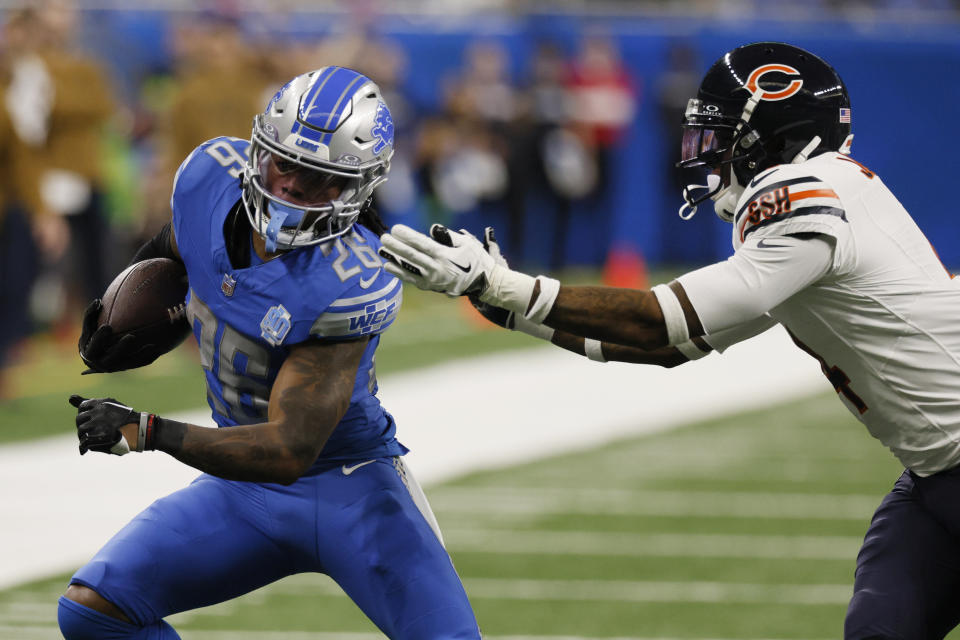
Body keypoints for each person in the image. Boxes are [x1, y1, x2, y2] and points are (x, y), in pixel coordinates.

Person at [378, 42, 960, 639]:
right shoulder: (830, 200)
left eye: (725, 134)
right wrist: (508, 310)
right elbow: (668, 348)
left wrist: (501, 282)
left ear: (774, 134)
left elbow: (659, 320)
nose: (708, 151)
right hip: (931, 474)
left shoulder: (805, 197)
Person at [61, 66, 481, 640]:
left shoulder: (353, 278)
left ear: (358, 187)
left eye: (317, 179)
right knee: (92, 609)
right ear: (262, 149)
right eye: (285, 165)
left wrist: (148, 430)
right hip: (242, 490)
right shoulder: (209, 177)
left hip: (348, 488)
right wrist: (128, 310)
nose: (289, 188)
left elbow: (289, 449)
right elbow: (177, 245)